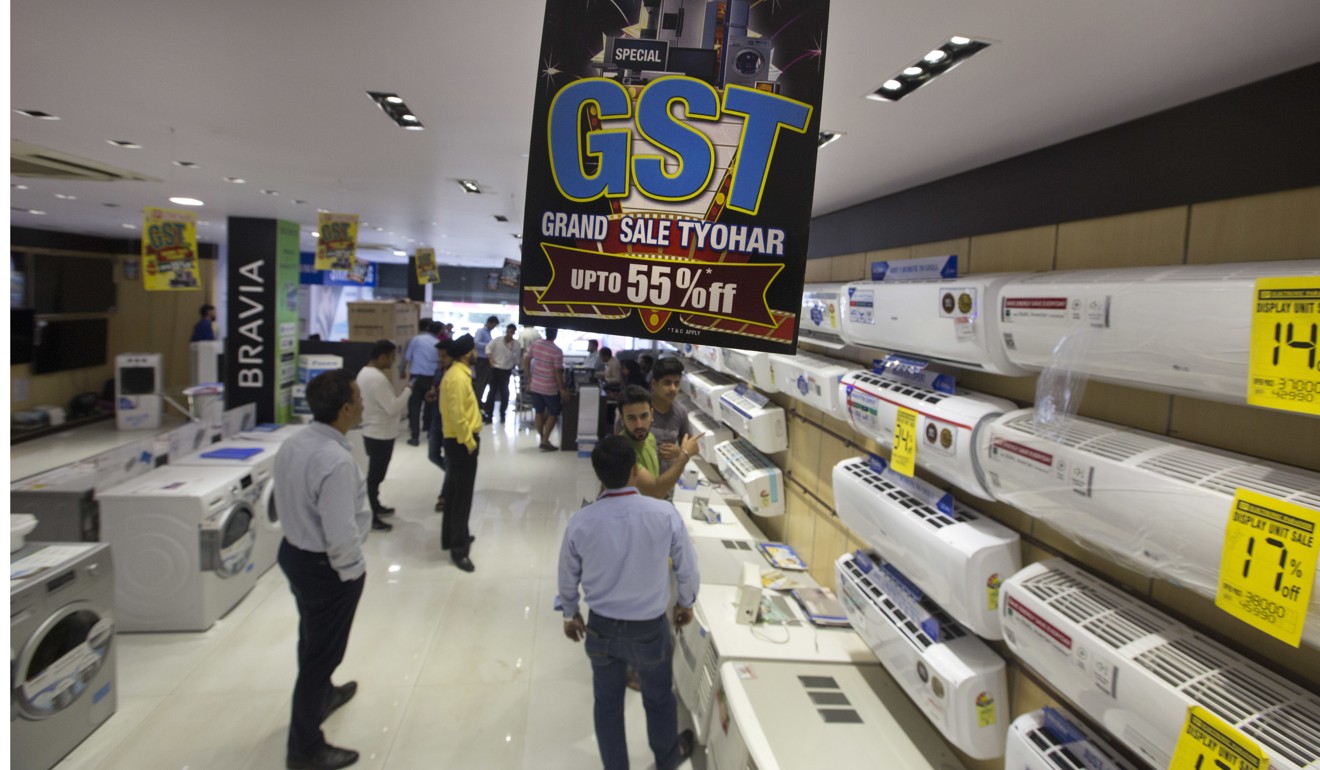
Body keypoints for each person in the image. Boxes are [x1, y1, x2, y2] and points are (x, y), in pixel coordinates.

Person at [557, 435, 698, 770]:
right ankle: (667, 759)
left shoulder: (582, 521)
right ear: (636, 471)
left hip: (601, 628)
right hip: (649, 630)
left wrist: (569, 613)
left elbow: (567, 574)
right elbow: (687, 568)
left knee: (606, 704)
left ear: (599, 475)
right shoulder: (664, 514)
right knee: (659, 698)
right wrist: (685, 603)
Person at [274, 369, 368, 770]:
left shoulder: (295, 443)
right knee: (320, 656)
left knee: (310, 635)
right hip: (325, 567)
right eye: (359, 399)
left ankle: (325, 695)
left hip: (294, 553)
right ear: (346, 410)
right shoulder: (334, 461)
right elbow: (340, 531)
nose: (363, 404)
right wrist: (352, 573)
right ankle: (305, 748)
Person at [355, 340, 410, 532]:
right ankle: (371, 515)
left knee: (375, 476)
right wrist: (407, 392)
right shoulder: (376, 379)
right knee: (375, 477)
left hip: (375, 431)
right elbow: (392, 407)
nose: (393, 361)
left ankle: (375, 506)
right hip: (380, 433)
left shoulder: (364, 373)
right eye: (391, 357)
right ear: (382, 357)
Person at [440, 334, 483, 572]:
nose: (476, 353)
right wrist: (469, 442)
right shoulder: (457, 377)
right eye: (474, 350)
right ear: (467, 353)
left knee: (456, 494)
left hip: (459, 442)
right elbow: (457, 416)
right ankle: (459, 549)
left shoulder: (459, 374)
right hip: (460, 443)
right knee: (461, 498)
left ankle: (453, 537)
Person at [617, 385, 702, 500]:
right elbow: (655, 491)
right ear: (622, 419)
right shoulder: (621, 451)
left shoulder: (649, 437)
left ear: (652, 414)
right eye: (631, 418)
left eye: (644, 416)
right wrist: (684, 455)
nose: (639, 425)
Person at [616, 357, 691, 476]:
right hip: (637, 480)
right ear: (655, 384)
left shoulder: (681, 412)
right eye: (667, 383)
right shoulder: (638, 408)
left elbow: (689, 446)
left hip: (666, 481)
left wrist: (679, 452)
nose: (673, 389)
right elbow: (616, 447)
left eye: (676, 383)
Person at [524, 327, 569, 451]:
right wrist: (562, 389)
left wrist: (529, 377)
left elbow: (526, 360)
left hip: (535, 385)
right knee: (553, 412)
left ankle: (543, 439)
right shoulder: (556, 351)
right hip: (549, 387)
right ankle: (544, 440)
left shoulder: (536, 344)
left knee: (539, 412)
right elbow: (558, 373)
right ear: (555, 335)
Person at [426, 339, 454, 512]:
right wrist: (432, 393)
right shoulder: (439, 371)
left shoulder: (456, 375)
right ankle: (455, 476)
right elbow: (435, 389)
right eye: (439, 356)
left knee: (450, 460)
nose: (441, 359)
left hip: (449, 423)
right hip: (437, 419)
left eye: (444, 356)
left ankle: (444, 495)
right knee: (433, 454)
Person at [402, 321, 441, 446]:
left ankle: (414, 437)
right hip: (431, 379)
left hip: (416, 377)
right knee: (430, 405)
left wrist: (402, 370)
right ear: (439, 332)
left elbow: (407, 357)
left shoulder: (416, 340)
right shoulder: (438, 344)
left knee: (414, 407)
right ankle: (428, 430)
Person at [484, 323, 520, 423]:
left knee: (505, 393)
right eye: (508, 332)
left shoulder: (516, 344)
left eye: (511, 332)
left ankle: (502, 414)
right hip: (495, 369)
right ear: (506, 331)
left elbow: (517, 359)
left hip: (506, 370)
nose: (509, 334)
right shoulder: (497, 340)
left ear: (513, 333)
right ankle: (489, 414)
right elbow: (488, 348)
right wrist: (490, 359)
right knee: (492, 392)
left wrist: (513, 365)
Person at [472, 315, 499, 422]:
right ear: (490, 322)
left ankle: (479, 404)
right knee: (479, 384)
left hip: (486, 361)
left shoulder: (488, 333)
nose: (494, 327)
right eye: (494, 325)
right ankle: (476, 406)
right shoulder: (481, 332)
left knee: (483, 384)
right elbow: (476, 343)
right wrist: (489, 345)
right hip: (480, 361)